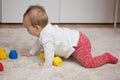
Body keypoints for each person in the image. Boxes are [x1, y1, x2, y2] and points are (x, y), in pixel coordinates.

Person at [22, 5, 118, 68]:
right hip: (77, 38)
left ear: (37, 27)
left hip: (79, 44)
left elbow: (49, 50)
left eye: (28, 29)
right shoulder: (44, 31)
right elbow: (39, 42)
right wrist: (31, 52)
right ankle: (68, 51)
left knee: (88, 63)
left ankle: (106, 57)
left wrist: (47, 63)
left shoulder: (46, 35)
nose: (27, 31)